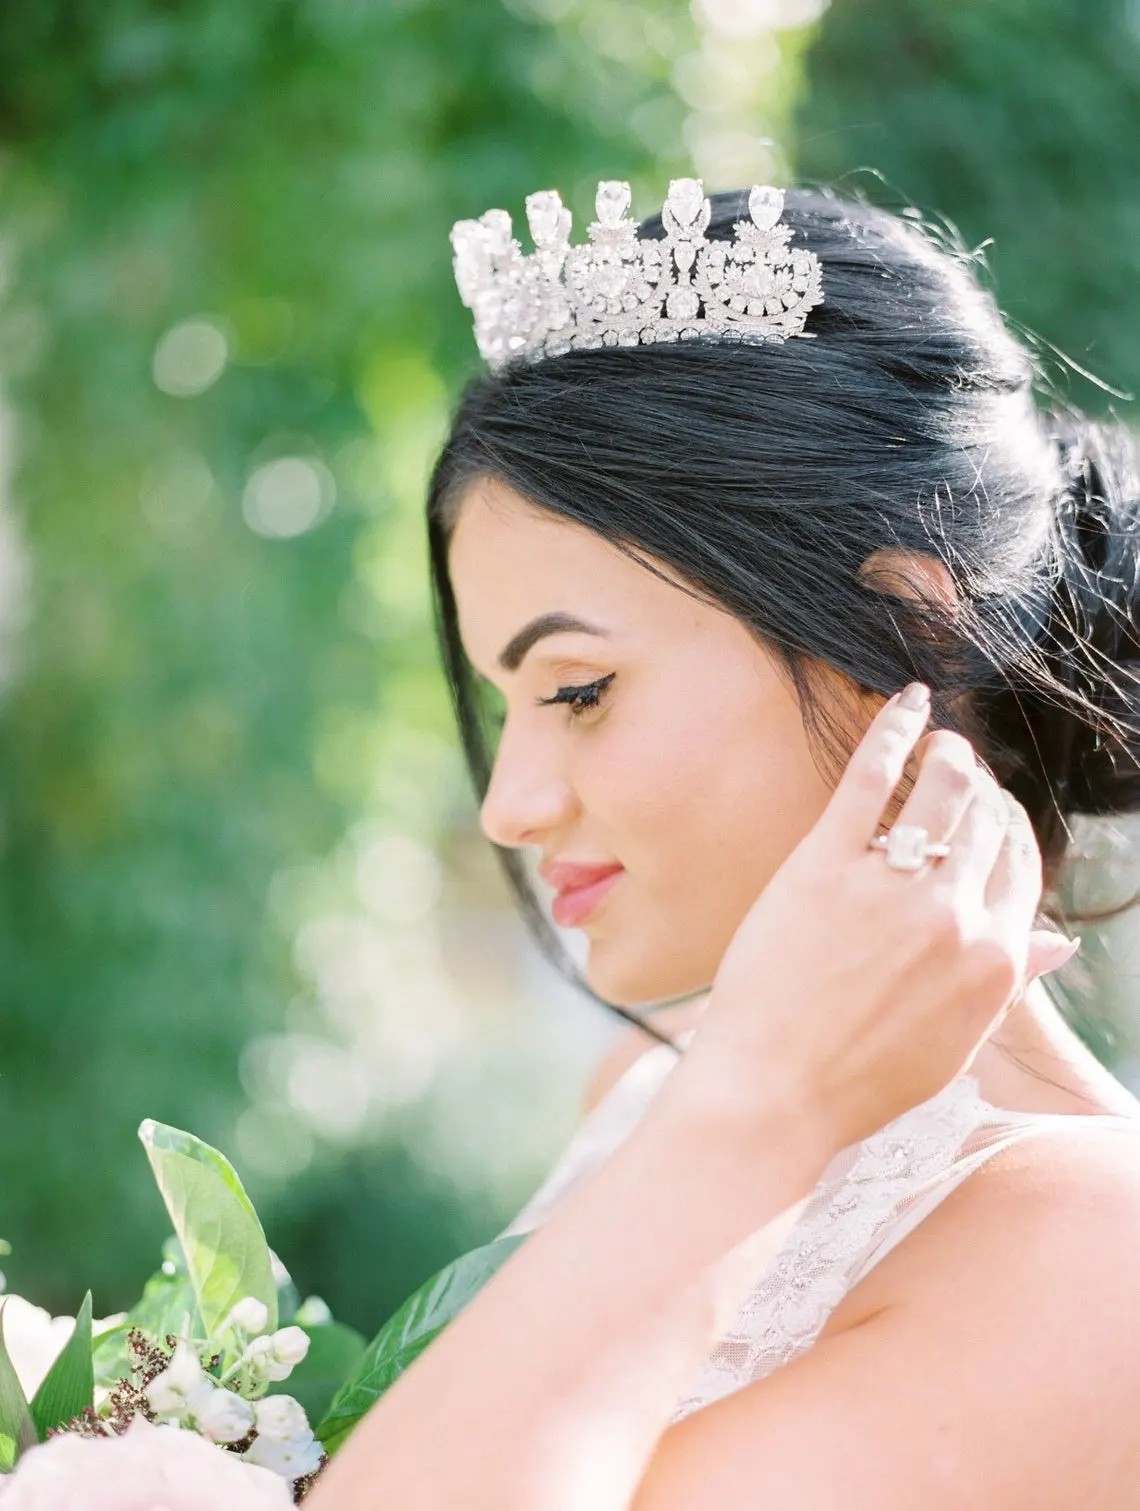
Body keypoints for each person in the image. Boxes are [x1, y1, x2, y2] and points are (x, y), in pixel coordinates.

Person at [306, 181, 1140, 1507]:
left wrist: (761, 1115)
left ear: (908, 639)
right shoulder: (648, 1094)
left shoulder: (1098, 1261)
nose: (509, 807)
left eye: (578, 690)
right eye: (501, 707)